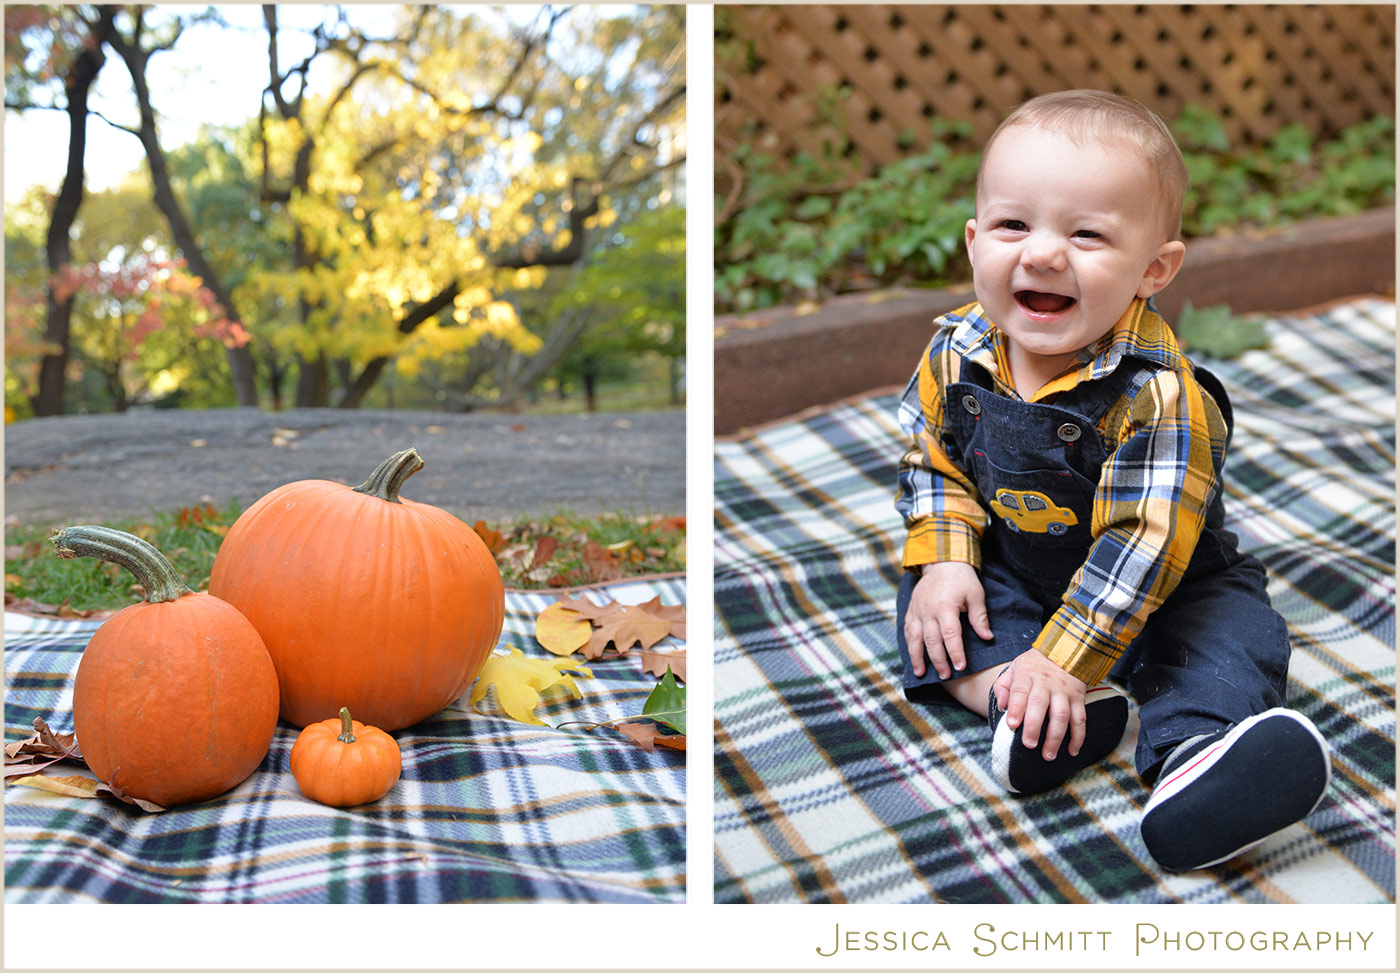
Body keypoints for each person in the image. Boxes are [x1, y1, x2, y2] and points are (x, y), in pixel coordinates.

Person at [893, 90, 1331, 872]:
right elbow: (937, 458)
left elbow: (1145, 542)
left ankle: (1197, 759)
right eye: (1013, 225)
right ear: (973, 241)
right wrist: (950, 556)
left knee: (1227, 640)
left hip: (1166, 581)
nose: (1043, 253)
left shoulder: (1159, 395)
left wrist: (1067, 652)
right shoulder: (955, 353)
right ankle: (1027, 704)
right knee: (938, 611)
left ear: (1153, 269)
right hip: (1022, 563)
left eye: (1087, 235)